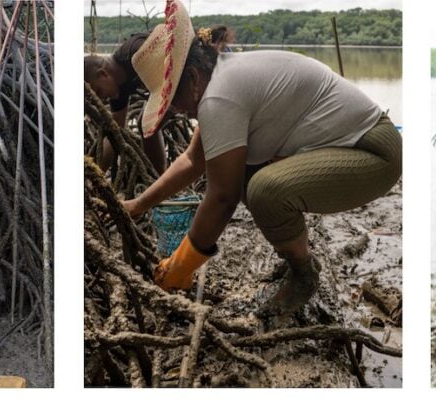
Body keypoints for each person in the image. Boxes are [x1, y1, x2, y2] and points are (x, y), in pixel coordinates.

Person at [123, 0, 401, 317]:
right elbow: (193, 160)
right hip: (349, 146)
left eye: (173, 98)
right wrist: (139, 205)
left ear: (195, 78)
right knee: (246, 175)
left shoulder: (219, 96)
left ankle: (303, 274)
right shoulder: (222, 79)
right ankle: (296, 258)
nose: (174, 110)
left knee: (264, 189)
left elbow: (222, 197)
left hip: (374, 153)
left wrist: (178, 267)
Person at [85, 32, 168, 174]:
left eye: (98, 92)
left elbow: (175, 59)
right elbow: (115, 133)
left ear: (103, 74)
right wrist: (96, 178)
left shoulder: (135, 53)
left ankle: (160, 181)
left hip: (189, 78)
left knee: (146, 121)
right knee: (146, 123)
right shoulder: (118, 88)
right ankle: (157, 179)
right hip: (169, 89)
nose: (101, 99)